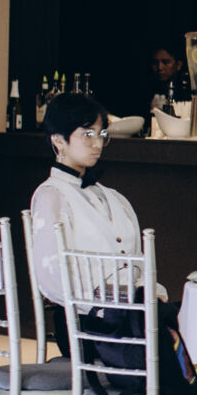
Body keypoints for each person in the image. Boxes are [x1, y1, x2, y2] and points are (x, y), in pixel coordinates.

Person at [29, 93, 156, 307]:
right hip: (84, 314)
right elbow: (51, 276)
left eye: (101, 134)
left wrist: (148, 295)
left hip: (130, 308)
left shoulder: (115, 198)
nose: (97, 143)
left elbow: (140, 266)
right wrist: (101, 305)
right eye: (87, 134)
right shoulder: (52, 195)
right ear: (58, 140)